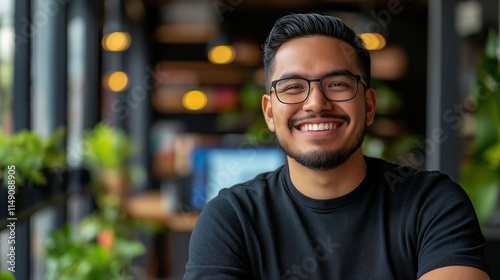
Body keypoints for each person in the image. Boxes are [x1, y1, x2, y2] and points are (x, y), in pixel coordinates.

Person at [184, 13, 490, 280]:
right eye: (293, 88)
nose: (316, 104)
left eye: (338, 85)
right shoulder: (231, 219)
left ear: (369, 105)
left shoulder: (432, 205)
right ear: (269, 114)